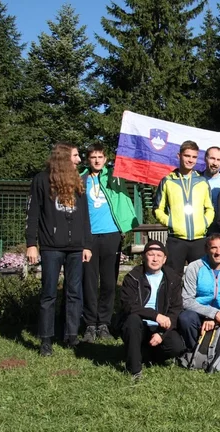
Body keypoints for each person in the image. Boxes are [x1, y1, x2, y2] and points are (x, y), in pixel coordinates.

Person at [26, 143, 93, 356]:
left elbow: (84, 217)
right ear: (64, 157)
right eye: (75, 155)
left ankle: (71, 336)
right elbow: (33, 214)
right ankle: (46, 340)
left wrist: (87, 245)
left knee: (74, 293)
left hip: (76, 249)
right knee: (49, 294)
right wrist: (31, 244)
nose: (79, 160)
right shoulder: (41, 180)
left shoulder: (78, 182)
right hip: (50, 247)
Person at [80, 143, 138, 343]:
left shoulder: (115, 176)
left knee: (108, 282)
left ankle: (104, 323)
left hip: (111, 234)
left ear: (106, 159)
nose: (97, 160)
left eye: (100, 157)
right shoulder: (81, 180)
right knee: (88, 281)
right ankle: (89, 324)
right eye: (93, 157)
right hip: (88, 237)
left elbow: (133, 171)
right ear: (88, 159)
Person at [119, 240, 185, 380]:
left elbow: (176, 309)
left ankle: (145, 354)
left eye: (159, 255)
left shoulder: (173, 279)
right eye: (151, 254)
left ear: (164, 259)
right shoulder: (133, 277)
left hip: (160, 327)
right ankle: (134, 370)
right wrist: (155, 316)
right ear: (144, 257)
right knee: (132, 320)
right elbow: (129, 306)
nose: (155, 259)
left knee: (176, 346)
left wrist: (162, 334)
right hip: (139, 325)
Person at [154, 140, 215, 273]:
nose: (190, 160)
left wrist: (205, 223)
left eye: (194, 157)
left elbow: (210, 208)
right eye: (187, 156)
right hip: (176, 239)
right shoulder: (168, 180)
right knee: (172, 278)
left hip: (199, 240)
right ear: (179, 156)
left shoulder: (202, 181)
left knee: (200, 279)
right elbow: (157, 209)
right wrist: (170, 222)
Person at [202, 146, 220, 223]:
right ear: (205, 159)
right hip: (200, 225)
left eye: (219, 160)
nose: (215, 163)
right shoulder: (195, 180)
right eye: (212, 158)